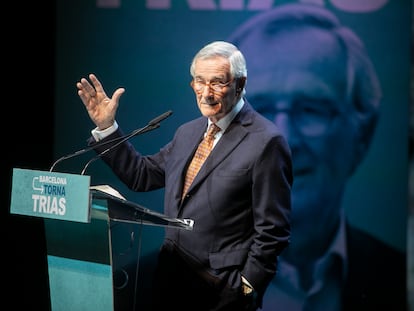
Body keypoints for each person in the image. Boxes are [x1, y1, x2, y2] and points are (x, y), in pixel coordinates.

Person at [76, 41, 293, 311]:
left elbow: (273, 231)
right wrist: (107, 127)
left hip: (222, 291)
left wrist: (246, 286)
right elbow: (141, 176)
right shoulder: (188, 133)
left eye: (217, 82)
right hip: (171, 283)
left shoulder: (266, 141)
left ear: (240, 83)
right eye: (199, 82)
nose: (206, 93)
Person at [228, 3, 407, 310]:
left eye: (311, 109)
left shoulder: (400, 281)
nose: (283, 139)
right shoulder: (155, 286)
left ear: (361, 135)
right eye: (260, 110)